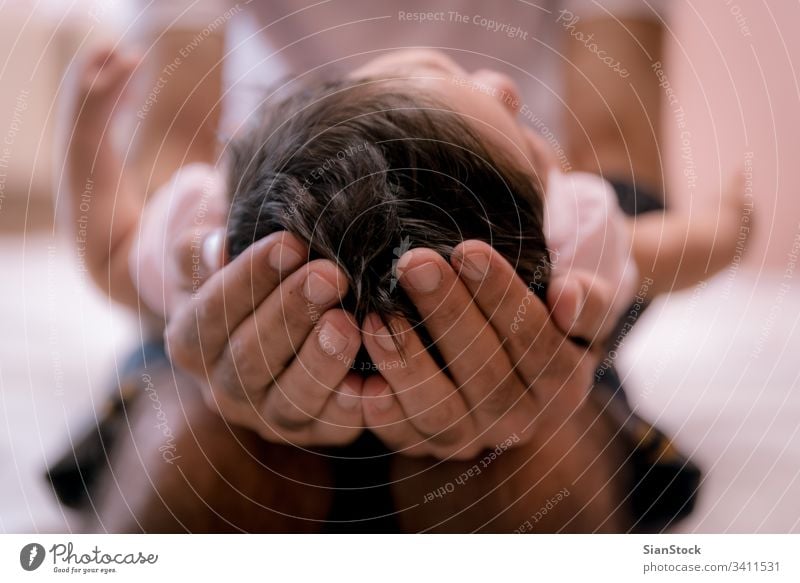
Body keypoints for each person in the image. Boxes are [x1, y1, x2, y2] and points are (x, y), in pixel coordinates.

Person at [58, 43, 743, 532]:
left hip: (271, 448)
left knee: (183, 483)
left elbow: (112, 247)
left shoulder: (215, 222)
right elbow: (672, 253)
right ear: (539, 184)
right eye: (495, 100)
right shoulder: (566, 227)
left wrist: (85, 137)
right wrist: (729, 229)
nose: (505, 89)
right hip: (489, 447)